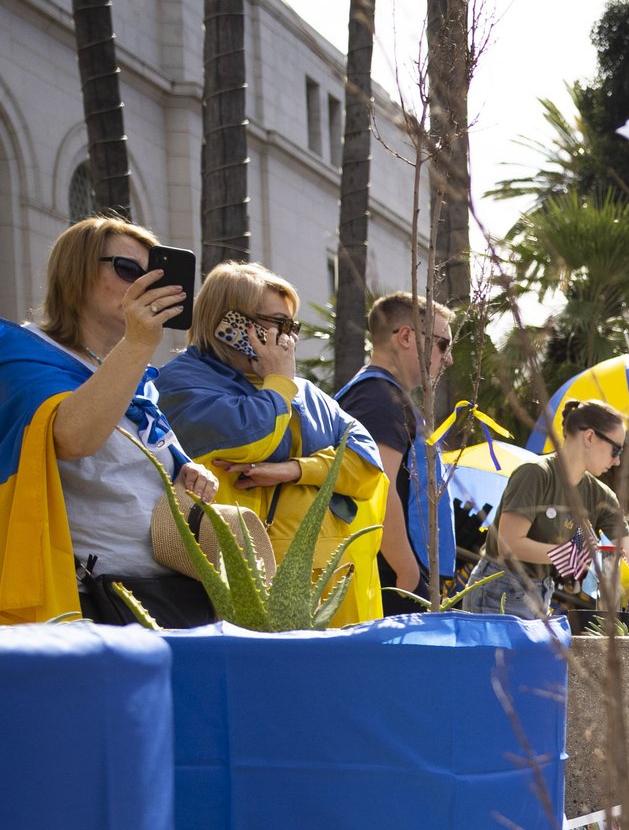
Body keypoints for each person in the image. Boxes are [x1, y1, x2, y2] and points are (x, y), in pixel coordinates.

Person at [0, 216, 220, 626]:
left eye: (154, 276)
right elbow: (74, 438)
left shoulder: (135, 375)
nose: (144, 285)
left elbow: (141, 459)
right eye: (128, 270)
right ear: (76, 273)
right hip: (87, 600)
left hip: (167, 593)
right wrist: (138, 343)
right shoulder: (19, 350)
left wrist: (187, 469)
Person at [159, 261, 387, 624]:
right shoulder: (179, 384)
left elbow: (367, 465)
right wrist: (279, 381)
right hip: (243, 589)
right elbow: (251, 439)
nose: (287, 340)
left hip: (332, 585)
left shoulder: (306, 393)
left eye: (291, 327)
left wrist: (295, 469)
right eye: (276, 324)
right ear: (227, 320)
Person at [471, 398, 629, 625]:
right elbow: (508, 545)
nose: (617, 461)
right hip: (498, 592)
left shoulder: (601, 496)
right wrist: (566, 555)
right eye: (616, 450)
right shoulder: (535, 474)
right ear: (590, 437)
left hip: (541, 595)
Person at [334, 291, 453, 601]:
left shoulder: (381, 395)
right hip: (390, 579)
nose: (449, 358)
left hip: (392, 574)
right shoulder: (378, 397)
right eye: (444, 345)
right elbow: (378, 487)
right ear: (406, 337)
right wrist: (408, 571)